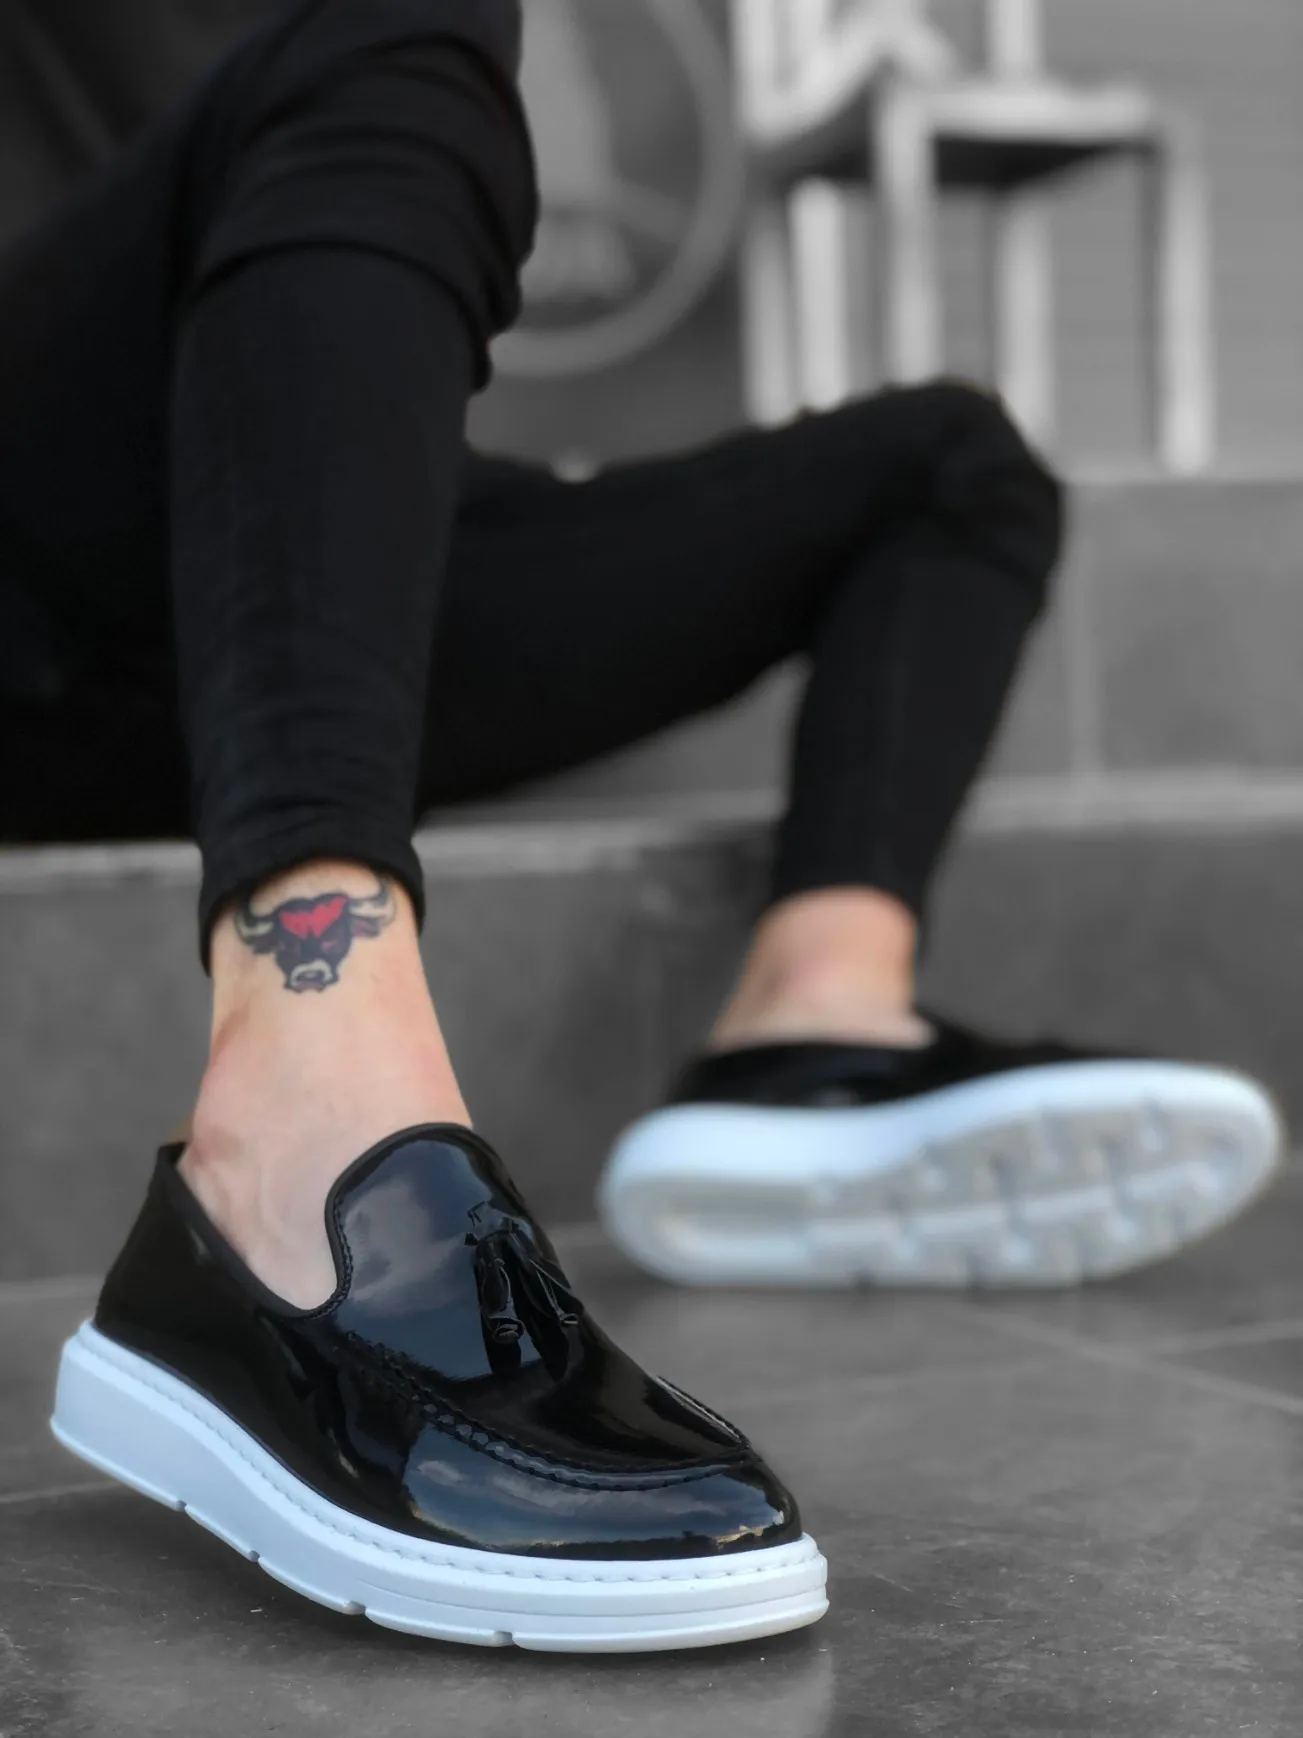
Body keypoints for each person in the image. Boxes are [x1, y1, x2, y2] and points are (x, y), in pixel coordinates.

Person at [1, 0, 1278, 1651]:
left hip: (282, 540)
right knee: (390, 33)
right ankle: (294, 1109)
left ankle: (812, 1021)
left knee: (954, 464)